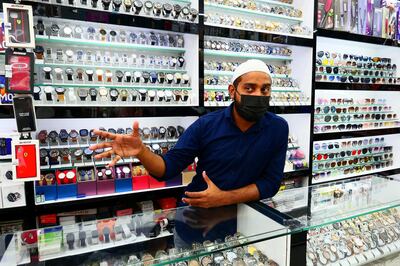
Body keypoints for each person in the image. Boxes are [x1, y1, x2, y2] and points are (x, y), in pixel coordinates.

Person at [89, 59, 289, 208]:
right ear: (232, 90)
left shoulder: (278, 128)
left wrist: (225, 198)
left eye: (265, 90)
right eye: (249, 88)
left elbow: (271, 183)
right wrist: (141, 151)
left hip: (251, 216)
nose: (258, 95)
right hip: (198, 217)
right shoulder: (206, 125)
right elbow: (167, 169)